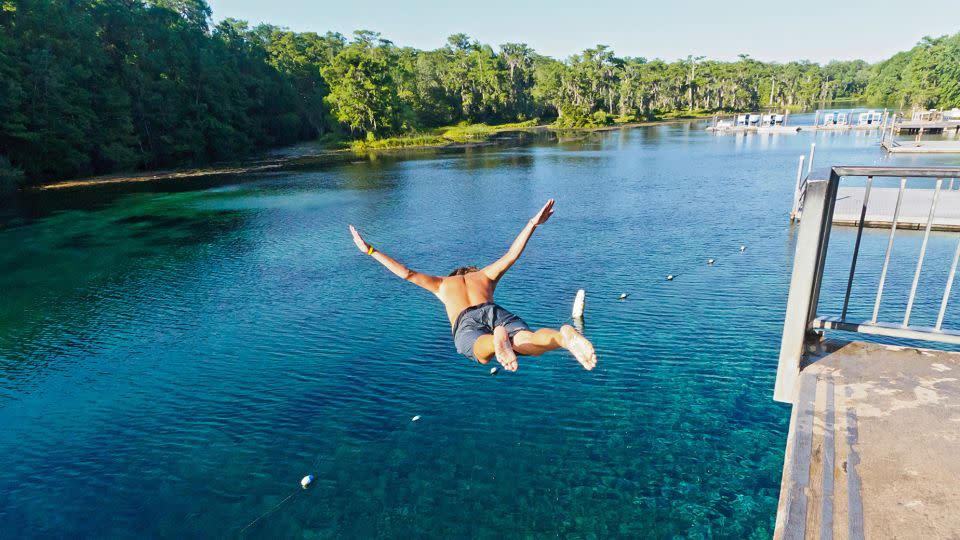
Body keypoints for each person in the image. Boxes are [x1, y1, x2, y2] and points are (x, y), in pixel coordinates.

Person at [348, 199, 597, 372]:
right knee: (531, 342)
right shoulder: (485, 276)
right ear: (472, 272)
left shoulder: (443, 284)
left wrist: (370, 250)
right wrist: (532, 223)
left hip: (466, 321)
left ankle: (495, 341)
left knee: (481, 351)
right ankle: (562, 337)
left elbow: (406, 273)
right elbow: (512, 255)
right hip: (493, 310)